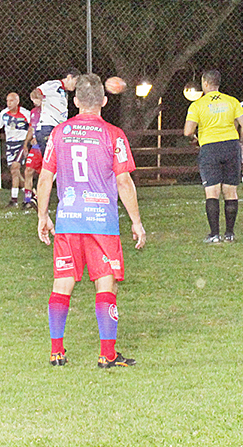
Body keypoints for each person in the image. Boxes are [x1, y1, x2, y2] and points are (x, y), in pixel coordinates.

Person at [36, 73, 146, 369]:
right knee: (106, 284)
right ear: (105, 101)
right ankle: (107, 354)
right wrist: (136, 221)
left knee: (62, 283)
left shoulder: (59, 133)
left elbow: (46, 177)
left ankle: (56, 352)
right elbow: (124, 181)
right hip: (102, 222)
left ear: (74, 102)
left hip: (69, 220)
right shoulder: (113, 134)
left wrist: (42, 215)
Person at [183, 70, 243, 243]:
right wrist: (239, 141)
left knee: (212, 192)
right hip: (231, 146)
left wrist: (195, 138)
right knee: (230, 191)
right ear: (218, 84)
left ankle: (214, 235)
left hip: (210, 148)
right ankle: (230, 233)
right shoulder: (232, 101)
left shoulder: (198, 105)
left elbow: (188, 131)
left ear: (205, 83)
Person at [0, 91, 32, 208]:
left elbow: (32, 126)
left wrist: (29, 141)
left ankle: (14, 200)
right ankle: (29, 194)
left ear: (17, 101)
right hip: (10, 145)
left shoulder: (25, 113)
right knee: (15, 172)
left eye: (11, 100)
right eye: (7, 101)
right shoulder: (3, 114)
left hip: (21, 143)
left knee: (15, 168)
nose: (9, 103)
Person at [32, 68, 79, 152]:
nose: (76, 84)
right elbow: (36, 92)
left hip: (56, 128)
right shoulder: (54, 84)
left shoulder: (64, 92)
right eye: (76, 80)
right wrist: (37, 98)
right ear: (69, 77)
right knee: (52, 159)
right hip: (47, 128)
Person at [20, 88, 45, 212]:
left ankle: (40, 198)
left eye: (36, 99)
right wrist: (26, 143)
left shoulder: (50, 112)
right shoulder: (33, 112)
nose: (35, 102)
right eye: (33, 100)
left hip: (45, 146)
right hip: (35, 148)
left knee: (45, 174)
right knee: (28, 170)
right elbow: (31, 129)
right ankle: (28, 200)